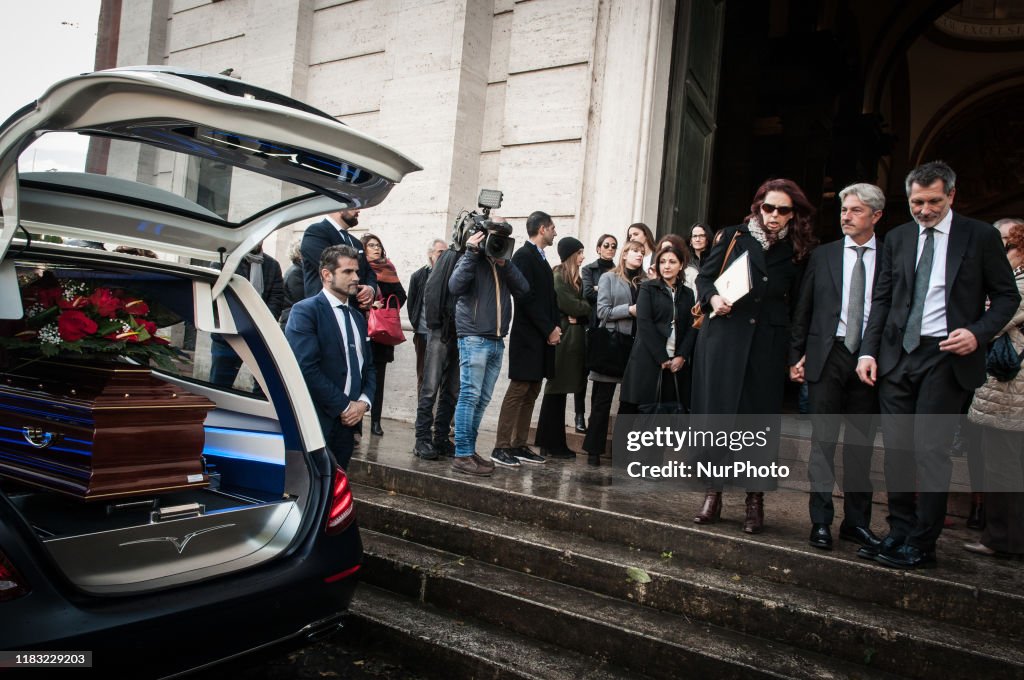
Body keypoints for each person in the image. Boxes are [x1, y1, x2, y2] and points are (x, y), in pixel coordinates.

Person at [855, 161, 1020, 569]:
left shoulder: (979, 236)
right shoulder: (897, 238)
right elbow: (882, 299)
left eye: (932, 201)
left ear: (951, 196)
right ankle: (898, 532)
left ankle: (922, 542)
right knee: (896, 452)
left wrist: (977, 333)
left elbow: (1006, 297)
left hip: (946, 358)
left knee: (930, 452)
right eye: (916, 202)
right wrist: (868, 351)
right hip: (896, 357)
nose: (924, 210)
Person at [691, 178, 817, 533]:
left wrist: (796, 353)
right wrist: (713, 299)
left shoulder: (798, 249)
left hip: (767, 344)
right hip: (725, 339)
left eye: (783, 210)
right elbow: (704, 279)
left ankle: (754, 499)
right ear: (757, 207)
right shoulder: (733, 236)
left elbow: (800, 307)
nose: (774, 216)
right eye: (768, 208)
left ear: (794, 214)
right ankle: (712, 494)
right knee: (717, 418)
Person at [789, 183, 886, 552]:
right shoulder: (824, 256)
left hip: (870, 360)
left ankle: (856, 523)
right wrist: (795, 356)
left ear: (876, 216)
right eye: (844, 210)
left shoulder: (891, 255)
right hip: (826, 356)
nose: (846, 216)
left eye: (856, 210)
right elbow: (804, 309)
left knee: (860, 446)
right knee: (823, 443)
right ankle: (821, 521)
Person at [285, 245, 376, 470]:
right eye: (347, 272)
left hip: (349, 425)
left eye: (357, 271)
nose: (356, 277)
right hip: (317, 420)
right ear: (327, 275)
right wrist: (345, 406)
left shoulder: (358, 317)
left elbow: (370, 367)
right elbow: (306, 368)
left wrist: (363, 404)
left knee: (337, 485)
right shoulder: (305, 311)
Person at [965, 218, 1024, 558]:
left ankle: (1003, 538)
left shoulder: (1017, 285)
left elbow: (994, 321)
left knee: (1003, 466)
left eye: (1007, 245)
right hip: (1003, 392)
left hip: (1010, 393)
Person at [448, 228, 529, 476]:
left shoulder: (503, 262)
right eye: (494, 236)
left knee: (481, 400)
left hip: (496, 339)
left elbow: (524, 289)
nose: (498, 241)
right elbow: (455, 286)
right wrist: (472, 253)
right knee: (469, 396)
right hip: (473, 336)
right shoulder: (470, 258)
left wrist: (505, 263)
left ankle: (469, 451)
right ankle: (462, 454)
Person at [491, 211, 562, 468]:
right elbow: (526, 298)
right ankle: (501, 446)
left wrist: (555, 327)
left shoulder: (541, 257)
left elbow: (546, 298)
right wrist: (548, 329)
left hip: (541, 336)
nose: (555, 232)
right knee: (518, 389)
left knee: (532, 390)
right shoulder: (523, 255)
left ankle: (519, 444)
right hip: (528, 335)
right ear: (542, 229)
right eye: (553, 228)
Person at [582, 240, 647, 466]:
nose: (639, 255)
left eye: (642, 252)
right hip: (612, 344)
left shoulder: (647, 282)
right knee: (602, 401)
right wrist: (629, 310)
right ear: (625, 255)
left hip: (637, 348)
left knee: (629, 404)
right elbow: (602, 312)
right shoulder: (609, 278)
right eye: (635, 252)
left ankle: (622, 453)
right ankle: (593, 451)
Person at [621, 244, 697, 412]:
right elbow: (644, 324)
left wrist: (682, 356)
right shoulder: (648, 288)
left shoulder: (687, 294)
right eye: (662, 262)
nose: (667, 266)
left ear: (681, 265)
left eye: (672, 261)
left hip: (677, 364)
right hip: (649, 360)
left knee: (670, 419)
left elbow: (692, 327)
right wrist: (662, 357)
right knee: (641, 417)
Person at [534, 237, 591, 459]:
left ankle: (554, 443)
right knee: (555, 391)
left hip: (572, 343)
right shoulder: (559, 276)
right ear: (570, 255)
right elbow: (574, 306)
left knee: (560, 393)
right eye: (579, 252)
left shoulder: (574, 279)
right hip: (563, 342)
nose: (582, 257)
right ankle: (551, 443)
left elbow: (583, 308)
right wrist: (583, 309)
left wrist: (582, 310)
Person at [209, 243, 285, 391]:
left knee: (265, 388)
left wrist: (261, 324)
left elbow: (277, 299)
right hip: (228, 336)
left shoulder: (272, 265)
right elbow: (215, 297)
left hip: (259, 336)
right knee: (219, 386)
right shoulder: (224, 262)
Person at [413, 242, 463, 460]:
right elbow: (431, 291)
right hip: (441, 331)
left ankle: (441, 437)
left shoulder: (469, 258)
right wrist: (436, 325)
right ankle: (422, 438)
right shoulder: (450, 256)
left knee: (452, 389)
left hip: (460, 333)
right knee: (430, 387)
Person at [362, 233, 407, 437]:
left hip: (381, 334)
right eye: (371, 245)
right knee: (358, 378)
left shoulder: (389, 269)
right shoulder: (360, 269)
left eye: (378, 245)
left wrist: (385, 304)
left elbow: (401, 295)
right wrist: (368, 304)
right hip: (361, 329)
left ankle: (376, 422)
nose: (376, 248)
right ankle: (355, 426)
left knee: (378, 380)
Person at [578, 233, 619, 432]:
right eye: (606, 245)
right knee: (583, 373)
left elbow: (604, 296)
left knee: (601, 376)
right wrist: (606, 293)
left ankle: (595, 417)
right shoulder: (589, 269)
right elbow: (588, 293)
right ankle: (579, 415)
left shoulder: (619, 272)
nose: (610, 248)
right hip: (592, 326)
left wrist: (600, 290)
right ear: (598, 248)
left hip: (609, 330)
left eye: (613, 246)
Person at [300, 209, 376, 306]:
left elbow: (369, 271)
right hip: (325, 309)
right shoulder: (316, 232)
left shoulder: (355, 242)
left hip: (354, 311)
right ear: (340, 208)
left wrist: (370, 289)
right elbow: (332, 268)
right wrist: (360, 289)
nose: (358, 210)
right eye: (353, 206)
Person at [408, 238, 447, 390]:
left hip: (445, 335)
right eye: (440, 252)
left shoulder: (451, 274)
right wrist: (417, 325)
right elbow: (412, 305)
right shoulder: (418, 276)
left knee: (445, 377)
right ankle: (423, 413)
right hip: (423, 334)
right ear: (431, 254)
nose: (444, 256)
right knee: (424, 376)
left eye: (446, 253)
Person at [279, 240, 304, 327]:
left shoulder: (298, 270)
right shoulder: (296, 273)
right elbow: (301, 299)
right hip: (293, 320)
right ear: (299, 255)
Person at [684, 223, 714, 292]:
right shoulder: (685, 260)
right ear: (690, 240)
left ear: (707, 239)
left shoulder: (713, 258)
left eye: (701, 236)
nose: (698, 239)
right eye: (694, 236)